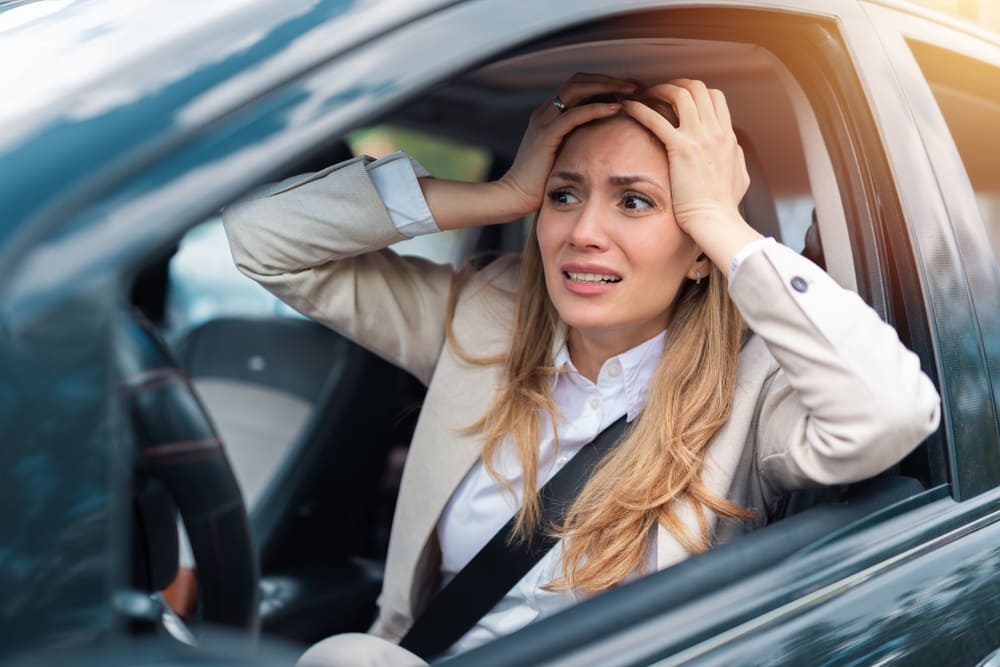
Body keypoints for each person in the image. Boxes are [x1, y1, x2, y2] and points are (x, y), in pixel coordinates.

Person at [222, 74, 940, 666]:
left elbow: (893, 412)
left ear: (698, 248)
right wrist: (504, 193)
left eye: (635, 201)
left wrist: (720, 223)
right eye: (564, 194)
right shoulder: (485, 317)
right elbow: (260, 240)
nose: (583, 232)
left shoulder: (756, 392)